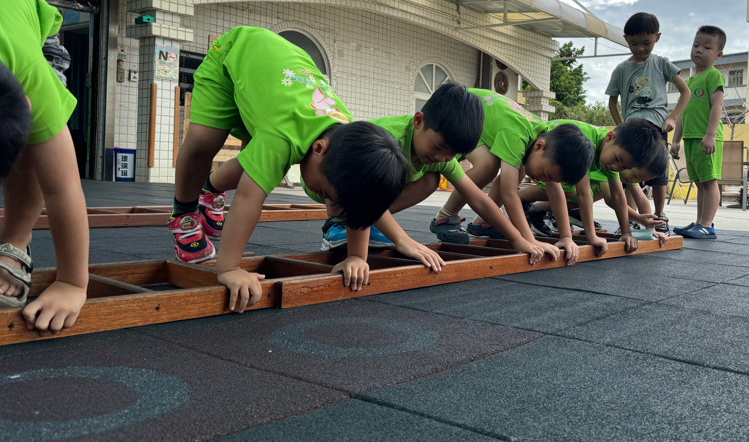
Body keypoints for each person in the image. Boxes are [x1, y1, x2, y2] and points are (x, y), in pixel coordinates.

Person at [169, 26, 407, 310]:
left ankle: (209, 192)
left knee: (259, 165)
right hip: (233, 56)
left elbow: (360, 202)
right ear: (319, 149)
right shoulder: (283, 136)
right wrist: (229, 268)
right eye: (325, 194)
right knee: (203, 141)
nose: (330, 210)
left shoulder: (347, 142)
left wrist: (357, 256)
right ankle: (184, 214)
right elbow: (248, 196)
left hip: (275, 76)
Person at [321, 82, 550, 267]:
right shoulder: (387, 140)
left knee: (430, 180)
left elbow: (479, 199)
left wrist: (518, 239)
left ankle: (367, 223)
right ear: (418, 121)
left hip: (369, 199)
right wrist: (403, 240)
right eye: (439, 147)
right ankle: (340, 224)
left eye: (453, 154)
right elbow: (362, 192)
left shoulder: (442, 157)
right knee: (379, 185)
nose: (443, 158)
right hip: (344, 189)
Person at [0, 0, 89, 333]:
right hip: (1, 19)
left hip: (35, 29)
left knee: (36, 152)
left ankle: (16, 239)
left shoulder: (33, 79)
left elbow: (64, 189)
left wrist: (72, 284)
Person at [431, 88, 593, 264]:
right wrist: (529, 239)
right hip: (459, 111)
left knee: (519, 169)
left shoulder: (544, 139)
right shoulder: (517, 135)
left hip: (477, 118)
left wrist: (566, 237)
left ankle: (483, 222)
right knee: (487, 165)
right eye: (545, 174)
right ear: (539, 146)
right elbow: (509, 194)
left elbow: (555, 191)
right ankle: (446, 216)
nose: (542, 180)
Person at [517, 118, 669, 255]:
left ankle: (528, 205)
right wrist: (590, 236)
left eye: (623, 167)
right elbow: (585, 194)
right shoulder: (587, 145)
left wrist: (627, 232)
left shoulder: (614, 154)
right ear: (609, 137)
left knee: (572, 191)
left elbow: (618, 197)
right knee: (570, 191)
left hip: (553, 155)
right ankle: (519, 199)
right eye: (617, 159)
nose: (615, 167)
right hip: (551, 152)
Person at [605, 12, 690, 234]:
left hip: (656, 127)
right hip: (631, 129)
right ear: (626, 39)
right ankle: (631, 219)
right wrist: (620, 126)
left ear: (657, 38)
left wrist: (672, 117)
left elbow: (685, 92)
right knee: (628, 173)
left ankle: (660, 216)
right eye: (634, 44)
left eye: (646, 43)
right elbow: (612, 103)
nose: (641, 48)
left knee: (657, 172)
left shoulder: (661, 63)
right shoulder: (621, 69)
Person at [670, 25, 726, 240]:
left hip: (707, 138)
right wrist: (675, 140)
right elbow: (682, 113)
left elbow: (717, 106)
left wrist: (710, 135)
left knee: (709, 181)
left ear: (718, 55)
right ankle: (699, 222)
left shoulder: (714, 76)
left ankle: (707, 225)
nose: (699, 50)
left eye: (707, 47)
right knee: (699, 182)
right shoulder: (689, 82)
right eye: (696, 45)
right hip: (691, 138)